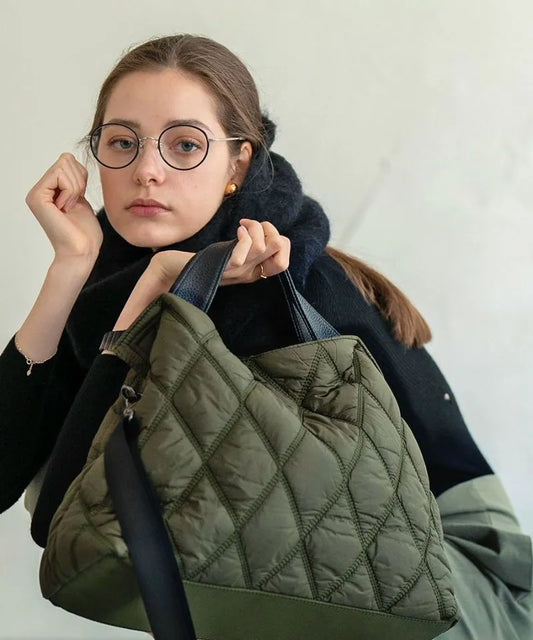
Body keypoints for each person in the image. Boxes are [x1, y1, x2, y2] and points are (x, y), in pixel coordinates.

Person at [0, 34, 531, 639]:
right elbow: (48, 506)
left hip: (446, 568)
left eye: (184, 145)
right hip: (321, 563)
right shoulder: (108, 275)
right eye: (123, 142)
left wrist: (156, 291)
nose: (147, 170)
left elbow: (62, 519)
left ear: (239, 164)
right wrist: (69, 269)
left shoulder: (281, 282)